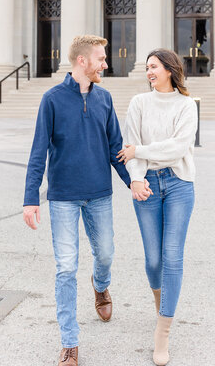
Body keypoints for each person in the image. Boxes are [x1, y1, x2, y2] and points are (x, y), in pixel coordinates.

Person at [23, 35, 149, 366]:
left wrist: (133, 181)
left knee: (105, 253)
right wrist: (30, 198)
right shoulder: (51, 100)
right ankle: (69, 343)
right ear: (83, 61)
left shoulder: (105, 99)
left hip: (99, 195)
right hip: (63, 196)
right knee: (66, 267)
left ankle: (101, 285)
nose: (105, 63)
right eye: (100, 58)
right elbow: (38, 152)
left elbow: (115, 148)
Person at [118, 49, 198, 366]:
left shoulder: (186, 105)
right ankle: (161, 305)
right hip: (147, 184)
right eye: (147, 67)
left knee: (172, 257)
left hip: (179, 184)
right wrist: (136, 178)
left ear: (169, 69)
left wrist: (142, 151)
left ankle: (162, 333)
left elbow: (179, 147)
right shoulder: (139, 103)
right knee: (153, 261)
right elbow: (129, 147)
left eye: (153, 66)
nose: (148, 71)